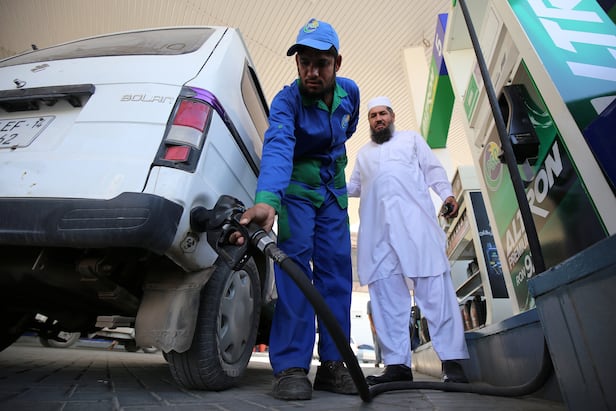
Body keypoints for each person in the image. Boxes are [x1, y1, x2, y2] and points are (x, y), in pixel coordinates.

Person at [233, 18, 360, 401]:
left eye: (321, 63)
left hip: (333, 194)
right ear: (297, 63)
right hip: (296, 193)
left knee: (337, 275)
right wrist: (268, 200)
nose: (312, 72)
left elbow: (347, 129)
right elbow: (278, 145)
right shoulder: (286, 101)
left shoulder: (350, 93)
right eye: (305, 62)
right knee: (294, 273)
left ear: (337, 63)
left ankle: (335, 365)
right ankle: (291, 367)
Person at [347, 96, 469, 385]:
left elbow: (433, 170)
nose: (378, 119)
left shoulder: (411, 140)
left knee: (436, 294)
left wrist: (447, 194)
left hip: (416, 228)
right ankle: (397, 366)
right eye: (373, 116)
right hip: (378, 237)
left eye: (383, 114)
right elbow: (352, 187)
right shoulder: (363, 155)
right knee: (386, 299)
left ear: (392, 116)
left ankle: (452, 362)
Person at [366, 300, 382, 367]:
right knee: (376, 344)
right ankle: (377, 361)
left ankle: (386, 361)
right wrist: (373, 326)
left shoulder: (382, 301)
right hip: (375, 325)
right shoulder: (370, 303)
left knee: (384, 343)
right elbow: (369, 315)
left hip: (383, 325)